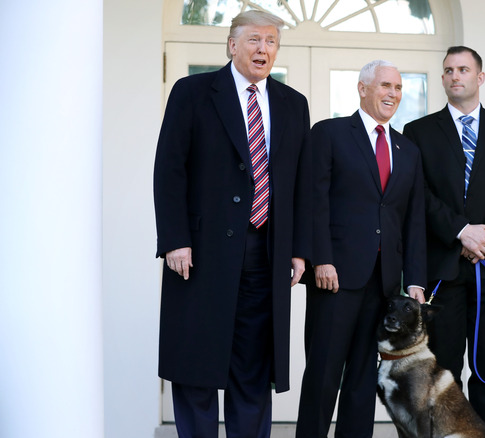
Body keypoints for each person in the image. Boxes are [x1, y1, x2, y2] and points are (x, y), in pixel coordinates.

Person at [153, 10, 311, 438]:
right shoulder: (192, 91)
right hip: (199, 254)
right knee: (198, 366)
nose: (264, 49)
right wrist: (174, 240)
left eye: (271, 41)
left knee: (253, 370)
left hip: (267, 255)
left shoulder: (293, 104)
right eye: (255, 40)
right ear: (232, 45)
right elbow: (169, 170)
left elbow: (299, 185)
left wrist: (298, 249)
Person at [403, 46, 485, 435]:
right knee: (443, 368)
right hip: (443, 268)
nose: (454, 76)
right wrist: (461, 231)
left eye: (463, 69)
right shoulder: (419, 132)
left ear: (480, 77)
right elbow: (419, 194)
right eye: (448, 71)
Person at [295, 60, 427, 438]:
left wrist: (415, 279)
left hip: (384, 283)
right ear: (362, 88)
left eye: (398, 88)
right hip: (334, 277)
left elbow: (412, 219)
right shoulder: (330, 133)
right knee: (323, 375)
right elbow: (313, 201)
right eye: (385, 85)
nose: (393, 94)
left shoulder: (407, 150)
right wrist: (321, 258)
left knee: (363, 380)